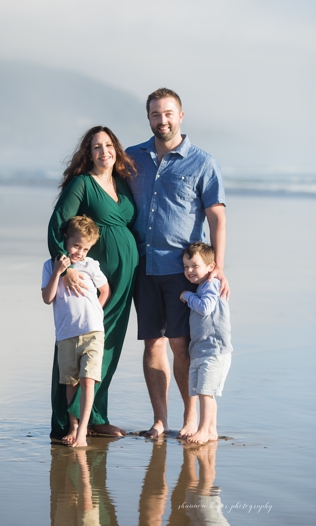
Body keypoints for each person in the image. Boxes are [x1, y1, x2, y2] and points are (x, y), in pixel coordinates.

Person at [123, 88, 227, 440]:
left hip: (183, 272)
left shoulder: (202, 162)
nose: (162, 120)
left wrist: (219, 267)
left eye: (168, 113)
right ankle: (158, 420)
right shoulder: (132, 158)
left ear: (180, 116)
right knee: (152, 343)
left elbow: (217, 217)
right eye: (155, 114)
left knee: (180, 345)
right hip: (143, 267)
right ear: (148, 118)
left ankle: (190, 418)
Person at [47, 125, 138, 441]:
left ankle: (96, 417)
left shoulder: (121, 184)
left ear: (116, 149)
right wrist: (66, 268)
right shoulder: (82, 184)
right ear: (88, 153)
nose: (104, 152)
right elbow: (58, 223)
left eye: (109, 145)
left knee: (107, 347)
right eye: (97, 147)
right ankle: (64, 422)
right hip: (91, 280)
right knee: (78, 342)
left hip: (121, 281)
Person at [41, 217, 111, 447]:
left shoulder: (91, 265)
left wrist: (95, 312)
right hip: (65, 335)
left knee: (88, 381)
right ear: (65, 240)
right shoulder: (50, 266)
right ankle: (72, 426)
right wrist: (59, 272)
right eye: (76, 246)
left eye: (85, 248)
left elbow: (105, 290)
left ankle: (83, 431)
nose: (80, 252)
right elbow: (47, 298)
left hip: (92, 332)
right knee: (70, 383)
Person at [178, 243, 231, 445]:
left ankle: (202, 430)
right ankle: (211, 431)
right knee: (204, 392)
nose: (189, 271)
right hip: (201, 350)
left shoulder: (211, 284)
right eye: (186, 266)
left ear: (210, 266)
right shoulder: (203, 286)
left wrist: (187, 295)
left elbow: (206, 307)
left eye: (194, 266)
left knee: (206, 392)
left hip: (214, 350)